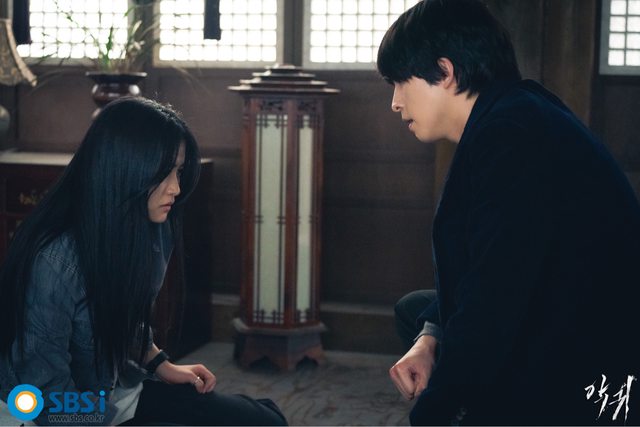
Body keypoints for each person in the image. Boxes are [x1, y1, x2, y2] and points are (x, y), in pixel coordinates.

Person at [377, 0, 640, 425]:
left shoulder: (512, 136)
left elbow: (494, 299)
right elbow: (482, 273)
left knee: (460, 335)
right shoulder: (512, 112)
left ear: (444, 72)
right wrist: (430, 337)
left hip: (597, 368)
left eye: (400, 83)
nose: (394, 103)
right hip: (556, 311)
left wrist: (432, 414)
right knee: (417, 312)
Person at [0, 97, 287, 426]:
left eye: (178, 171)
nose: (175, 188)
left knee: (265, 421)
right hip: (51, 411)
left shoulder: (150, 228)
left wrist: (160, 364)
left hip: (111, 393)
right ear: (123, 171)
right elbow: (46, 393)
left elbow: (122, 316)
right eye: (163, 173)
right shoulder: (55, 261)